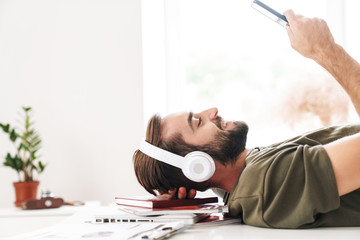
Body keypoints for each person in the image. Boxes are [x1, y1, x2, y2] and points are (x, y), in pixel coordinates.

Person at [132, 10, 360, 229]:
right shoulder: (263, 184)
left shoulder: (242, 179)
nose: (212, 111)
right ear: (197, 165)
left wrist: (179, 184)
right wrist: (325, 49)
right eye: (198, 122)